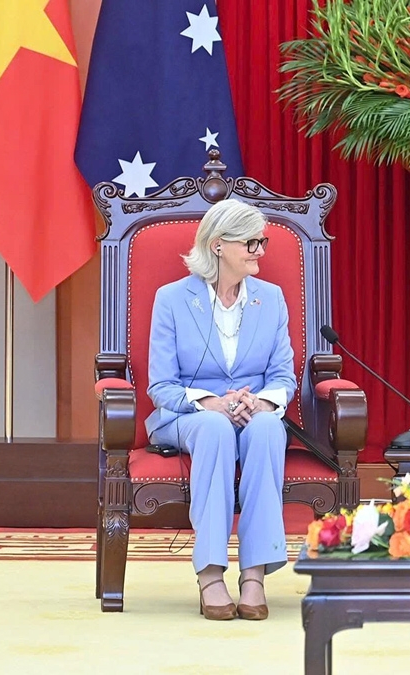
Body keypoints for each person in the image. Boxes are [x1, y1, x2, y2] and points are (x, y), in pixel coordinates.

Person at [146, 199, 296, 621]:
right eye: (251, 242)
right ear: (217, 246)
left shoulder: (271, 298)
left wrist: (262, 402)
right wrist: (211, 403)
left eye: (261, 240)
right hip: (188, 418)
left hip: (251, 415)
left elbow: (284, 377)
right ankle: (210, 572)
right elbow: (161, 386)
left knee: (269, 429)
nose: (260, 250)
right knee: (213, 428)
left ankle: (254, 574)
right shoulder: (172, 299)